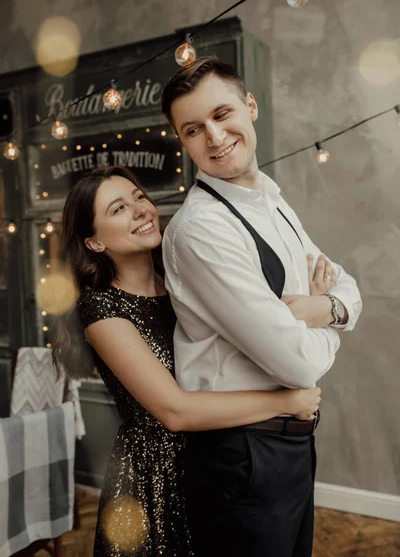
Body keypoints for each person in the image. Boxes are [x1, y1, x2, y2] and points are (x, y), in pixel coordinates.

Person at [52, 165, 323, 557]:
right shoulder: (100, 308)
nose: (140, 209)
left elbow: (256, 322)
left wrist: (313, 306)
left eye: (139, 197)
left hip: (217, 462)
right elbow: (174, 410)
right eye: (118, 209)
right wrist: (287, 402)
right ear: (93, 242)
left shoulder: (180, 275)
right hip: (153, 481)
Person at [161, 57, 363, 557]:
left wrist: (322, 307)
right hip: (240, 455)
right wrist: (328, 317)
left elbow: (351, 289)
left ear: (250, 107)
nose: (213, 136)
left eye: (222, 113)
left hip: (292, 442)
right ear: (183, 142)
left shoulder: (274, 201)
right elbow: (297, 363)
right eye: (193, 129)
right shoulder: (200, 229)